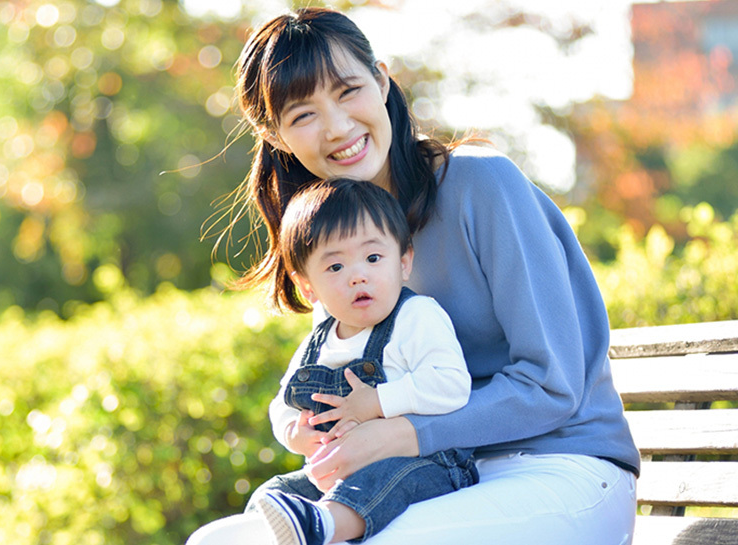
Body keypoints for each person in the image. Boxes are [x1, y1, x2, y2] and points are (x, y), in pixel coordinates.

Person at [188, 6, 639, 545]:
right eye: (303, 114)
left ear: (381, 80)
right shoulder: (331, 243)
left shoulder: (480, 185)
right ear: (279, 136)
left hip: (560, 466)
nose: (336, 127)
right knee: (220, 540)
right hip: (427, 480)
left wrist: (398, 434)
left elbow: (552, 383)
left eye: (348, 90)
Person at [253, 177, 476, 545]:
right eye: (335, 267)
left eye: (373, 258)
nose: (358, 275)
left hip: (427, 464)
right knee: (274, 490)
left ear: (403, 263)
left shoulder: (416, 316)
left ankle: (323, 526)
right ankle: (261, 531)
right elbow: (283, 403)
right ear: (308, 287)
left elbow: (452, 385)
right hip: (343, 472)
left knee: (381, 480)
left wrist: (376, 401)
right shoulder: (318, 341)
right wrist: (295, 431)